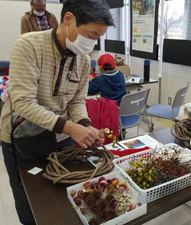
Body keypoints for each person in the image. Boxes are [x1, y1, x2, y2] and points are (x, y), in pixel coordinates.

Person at [1, 0, 114, 224]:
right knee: (30, 197)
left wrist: (84, 124)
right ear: (68, 19)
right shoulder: (29, 45)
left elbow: (77, 100)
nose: (93, 43)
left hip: (61, 135)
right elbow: (23, 102)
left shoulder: (83, 59)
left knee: (63, 190)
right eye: (91, 35)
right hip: (23, 136)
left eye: (98, 37)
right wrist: (72, 128)